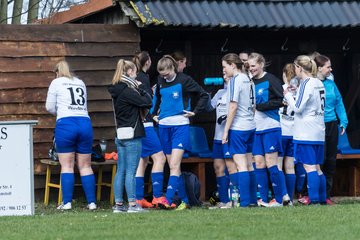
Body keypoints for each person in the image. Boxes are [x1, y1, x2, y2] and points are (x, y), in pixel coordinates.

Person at [152, 55, 209, 210]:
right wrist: (154, 115)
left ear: (173, 68)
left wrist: (195, 112)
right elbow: (157, 99)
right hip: (163, 126)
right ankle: (182, 200)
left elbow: (203, 94)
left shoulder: (184, 80)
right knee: (171, 165)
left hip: (180, 126)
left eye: (167, 74)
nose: (164, 76)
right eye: (161, 74)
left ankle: (169, 200)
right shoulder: (160, 81)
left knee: (175, 164)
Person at [45, 60, 96, 210]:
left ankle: (67, 203)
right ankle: (92, 202)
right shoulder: (80, 82)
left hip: (66, 124)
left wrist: (60, 112)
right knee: (85, 165)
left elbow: (49, 107)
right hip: (85, 123)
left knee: (67, 165)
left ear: (57, 72)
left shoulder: (56, 82)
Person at [108, 59, 152, 213]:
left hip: (120, 134)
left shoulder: (116, 89)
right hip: (132, 135)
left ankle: (119, 205)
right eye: (134, 72)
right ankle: (133, 204)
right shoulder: (128, 91)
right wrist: (141, 88)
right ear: (129, 72)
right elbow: (148, 102)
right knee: (131, 171)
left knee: (121, 170)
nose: (136, 76)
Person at [247, 52, 290, 207]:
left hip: (271, 126)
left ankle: (281, 199)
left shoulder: (271, 79)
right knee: (258, 163)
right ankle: (263, 199)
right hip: (256, 129)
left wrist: (260, 107)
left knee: (272, 163)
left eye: (253, 66)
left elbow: (281, 101)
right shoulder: (249, 82)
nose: (251, 69)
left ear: (261, 64)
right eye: (249, 66)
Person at [284, 55, 327, 205]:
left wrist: (288, 95)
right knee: (317, 167)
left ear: (300, 68)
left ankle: (314, 200)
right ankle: (322, 199)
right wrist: (296, 92)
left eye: (295, 66)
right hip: (319, 130)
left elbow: (297, 107)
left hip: (306, 132)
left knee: (309, 167)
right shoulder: (319, 82)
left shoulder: (306, 82)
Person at [132, 51, 167, 208]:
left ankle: (139, 198)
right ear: (148, 62)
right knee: (160, 158)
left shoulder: (135, 77)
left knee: (142, 160)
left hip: (136, 125)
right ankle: (158, 196)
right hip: (145, 124)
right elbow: (146, 101)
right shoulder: (144, 77)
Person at [222, 53, 257, 207]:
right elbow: (254, 106)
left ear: (232, 65)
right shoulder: (249, 80)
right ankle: (253, 201)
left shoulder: (235, 80)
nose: (224, 70)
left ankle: (244, 202)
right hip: (250, 125)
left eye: (224, 66)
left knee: (241, 165)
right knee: (249, 164)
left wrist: (225, 131)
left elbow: (233, 106)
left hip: (239, 127)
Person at [314, 54, 348, 205]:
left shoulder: (331, 84)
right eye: (328, 67)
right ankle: (314, 195)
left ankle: (326, 197)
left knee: (330, 161)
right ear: (319, 68)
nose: (331, 69)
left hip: (332, 124)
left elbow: (339, 102)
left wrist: (344, 121)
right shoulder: (311, 83)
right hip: (316, 126)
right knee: (318, 161)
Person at [208, 73, 236, 208]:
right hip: (218, 136)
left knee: (232, 168)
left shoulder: (237, 92)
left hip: (230, 136)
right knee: (218, 168)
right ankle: (224, 201)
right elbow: (210, 107)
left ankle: (235, 200)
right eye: (224, 74)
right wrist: (206, 95)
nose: (225, 76)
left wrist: (227, 117)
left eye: (228, 75)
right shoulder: (220, 92)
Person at [278, 63, 298, 203]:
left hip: (281, 132)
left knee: (278, 166)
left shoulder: (280, 90)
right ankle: (290, 199)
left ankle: (282, 197)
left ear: (284, 75)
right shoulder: (299, 90)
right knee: (290, 167)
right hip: (294, 133)